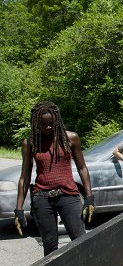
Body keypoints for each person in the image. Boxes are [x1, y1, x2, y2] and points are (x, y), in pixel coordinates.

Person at [14, 101, 95, 256]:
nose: (48, 127)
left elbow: (82, 167)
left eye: (51, 123)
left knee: (80, 240)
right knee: (50, 246)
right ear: (36, 123)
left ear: (56, 120)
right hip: (42, 198)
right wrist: (18, 209)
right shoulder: (30, 143)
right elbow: (24, 177)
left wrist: (89, 197)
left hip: (68, 195)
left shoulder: (71, 138)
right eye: (43, 124)